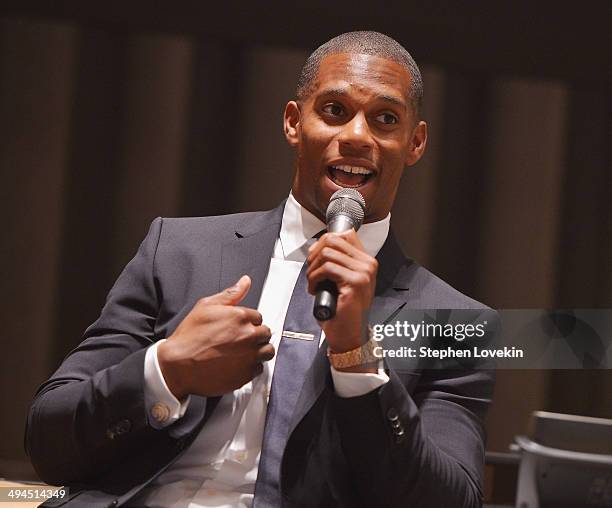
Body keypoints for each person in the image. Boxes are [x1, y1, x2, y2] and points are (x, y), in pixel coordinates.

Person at [26, 31, 494, 508]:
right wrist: (168, 370)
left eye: (385, 119)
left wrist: (356, 354)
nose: (356, 136)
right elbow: (49, 440)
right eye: (334, 111)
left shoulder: (453, 322)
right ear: (293, 123)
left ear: (415, 143)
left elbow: (449, 499)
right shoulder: (178, 251)